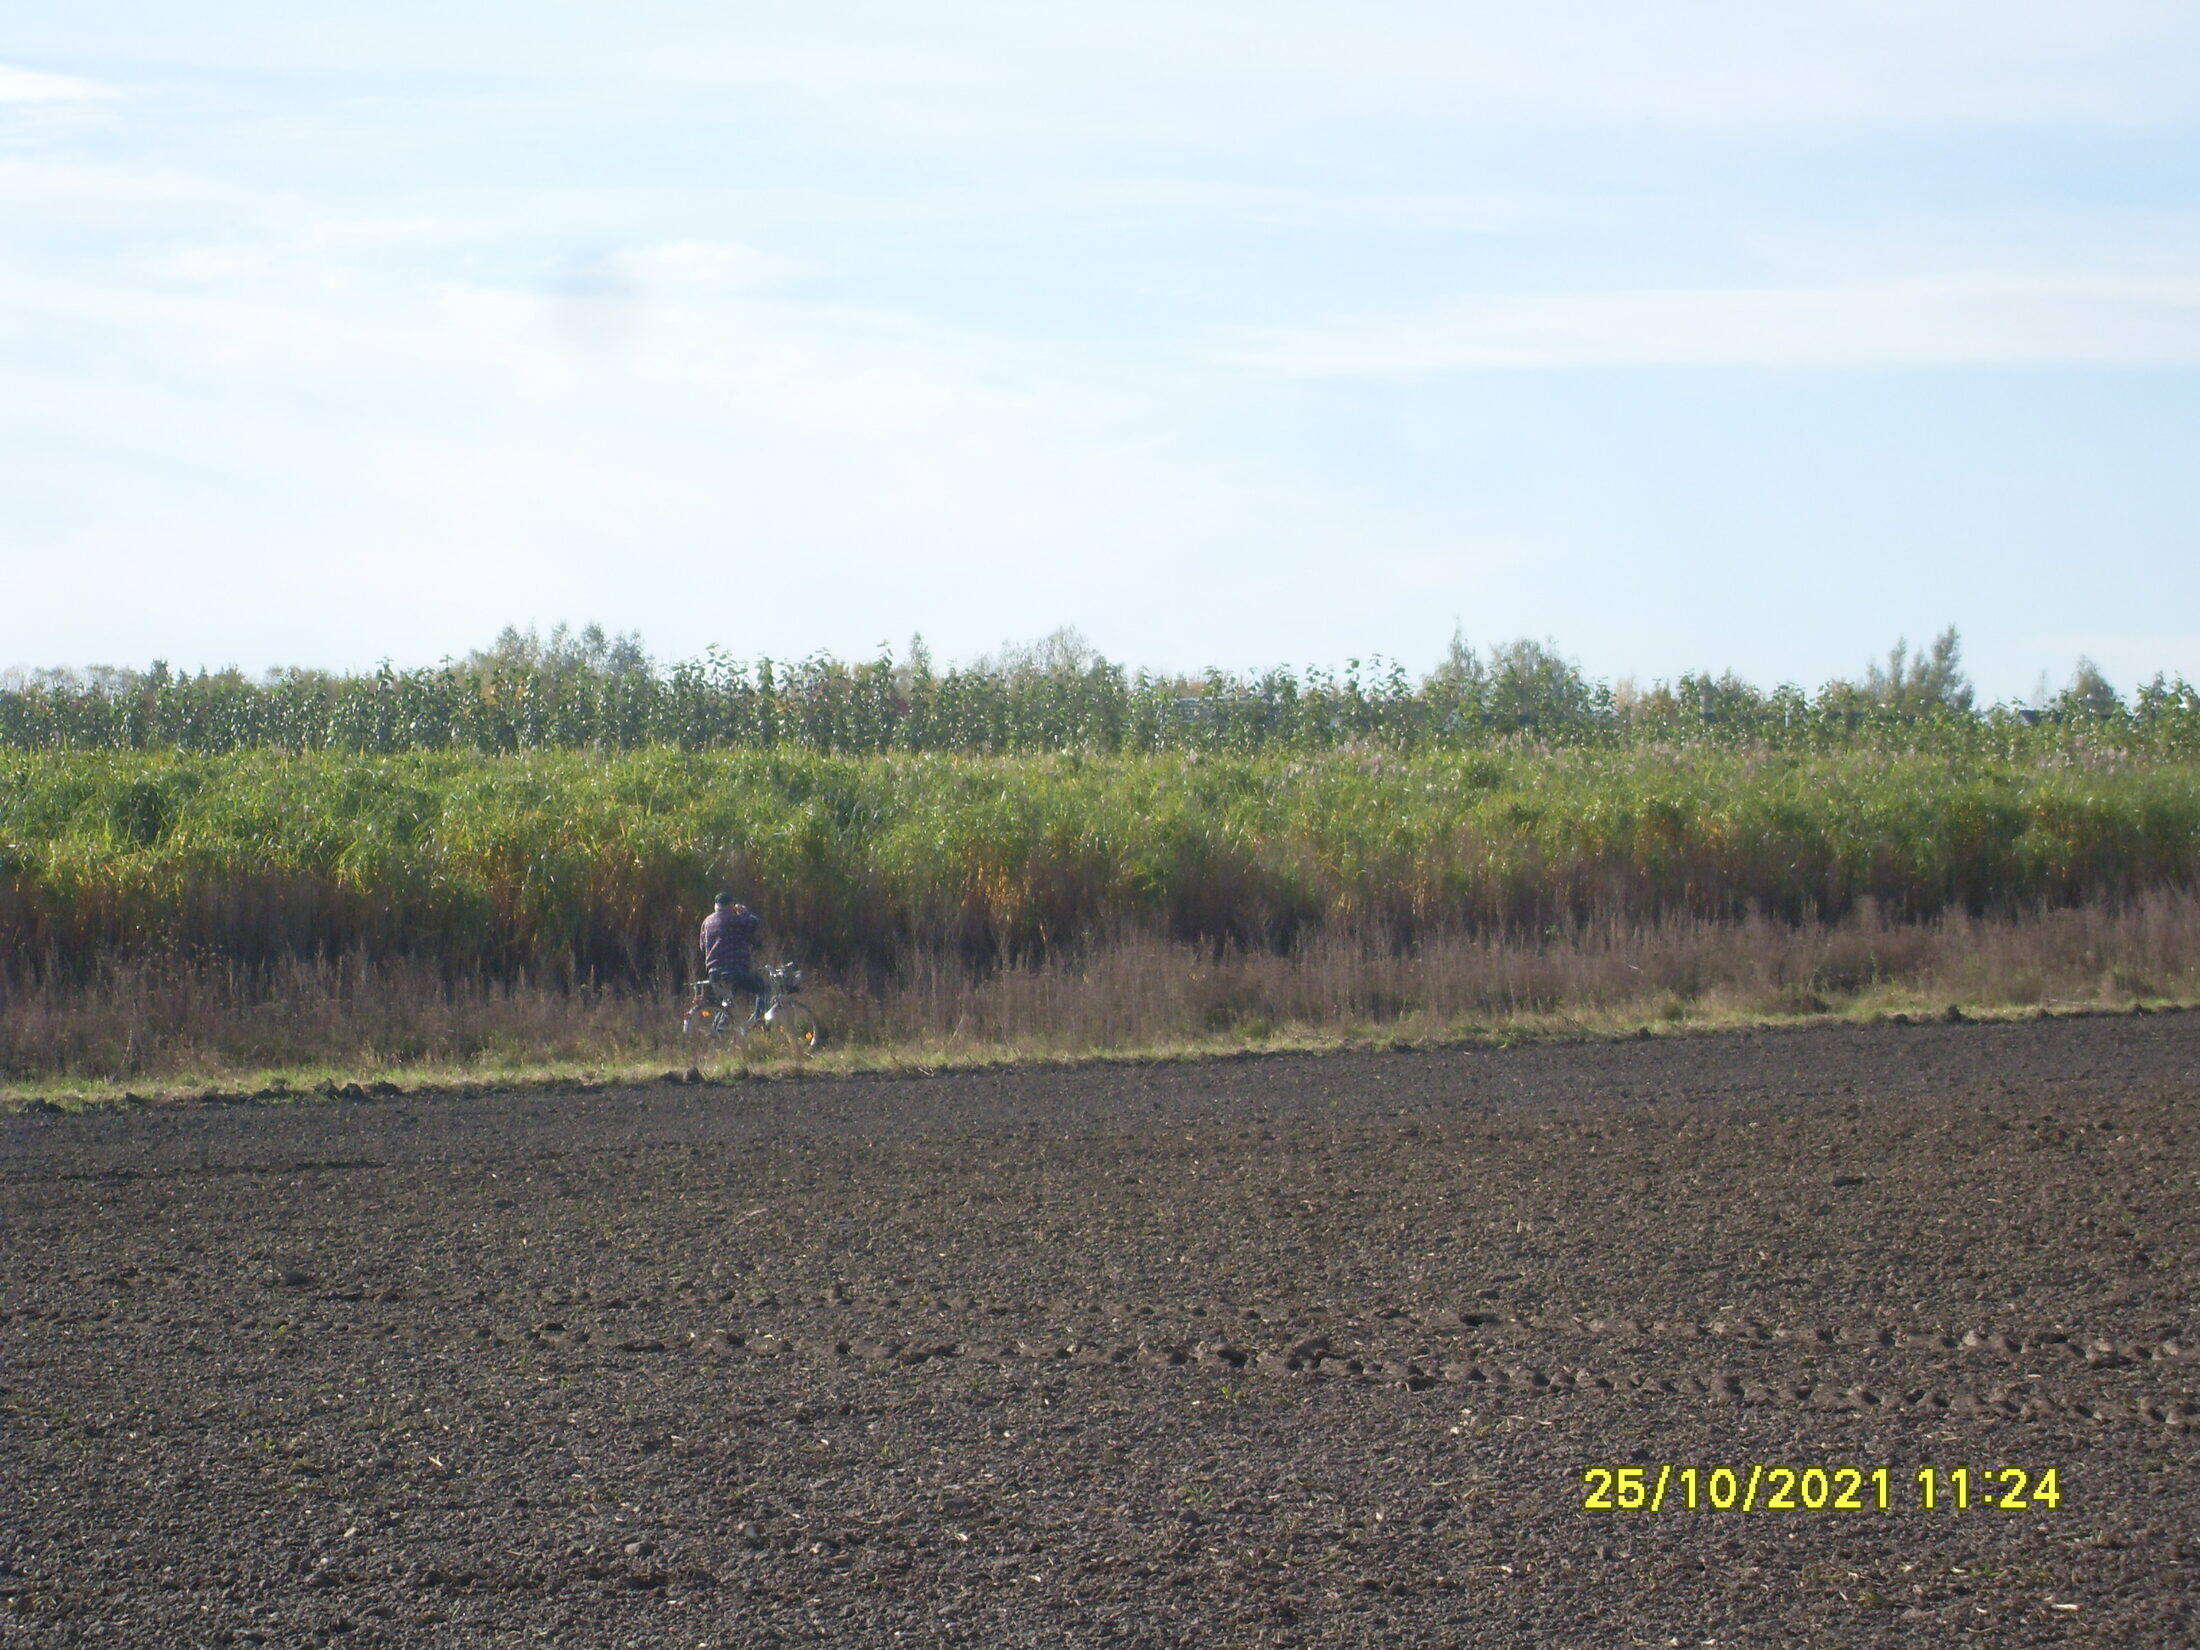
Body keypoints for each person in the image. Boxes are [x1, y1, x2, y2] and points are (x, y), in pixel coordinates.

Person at [700, 893, 768, 1021]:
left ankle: (719, 1031)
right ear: (730, 905)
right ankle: (757, 1022)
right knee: (763, 987)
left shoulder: (706, 922)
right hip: (734, 970)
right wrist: (744, 912)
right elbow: (753, 923)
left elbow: (702, 947)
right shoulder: (734, 919)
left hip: (713, 972)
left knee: (729, 1004)